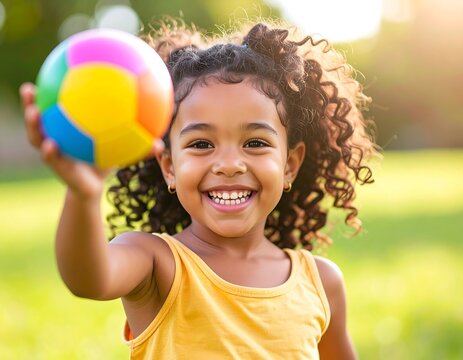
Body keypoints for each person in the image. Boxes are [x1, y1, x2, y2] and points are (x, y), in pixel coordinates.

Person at [21, 19, 377, 359]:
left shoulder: (321, 282)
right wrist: (83, 196)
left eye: (254, 143)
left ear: (290, 165)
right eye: (202, 145)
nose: (229, 164)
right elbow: (89, 279)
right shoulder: (155, 263)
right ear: (169, 168)